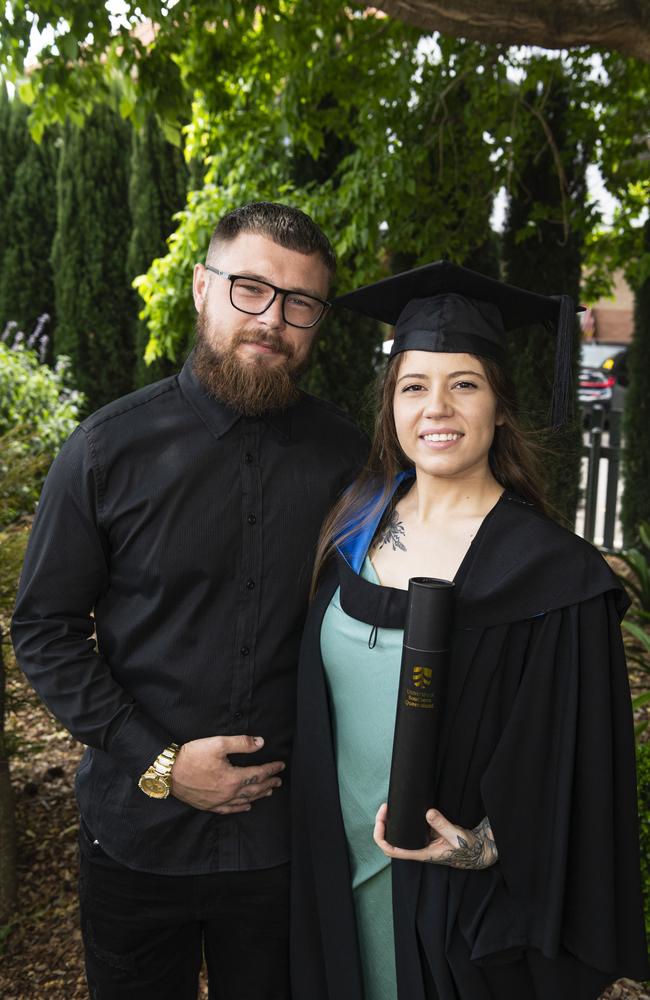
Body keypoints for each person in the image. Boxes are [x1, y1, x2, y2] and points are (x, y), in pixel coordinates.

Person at [11, 201, 368, 1000]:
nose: (272, 320)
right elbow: (44, 630)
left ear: (317, 322)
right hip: (136, 838)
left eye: (300, 303)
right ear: (203, 289)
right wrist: (162, 763)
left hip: (285, 846)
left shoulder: (349, 459)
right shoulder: (106, 450)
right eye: (250, 288)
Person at [290, 260, 649, 1000]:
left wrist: (483, 849)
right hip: (333, 872)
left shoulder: (553, 576)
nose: (437, 408)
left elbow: (575, 771)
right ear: (391, 403)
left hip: (456, 913)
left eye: (466, 384)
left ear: (499, 408)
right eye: (414, 385)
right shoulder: (353, 522)